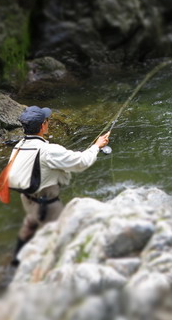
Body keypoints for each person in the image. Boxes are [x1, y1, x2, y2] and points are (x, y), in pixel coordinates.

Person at [9, 105, 110, 266]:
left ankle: (15, 262)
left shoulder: (19, 146)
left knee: (30, 224)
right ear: (43, 126)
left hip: (27, 199)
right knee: (62, 238)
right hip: (47, 205)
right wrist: (96, 147)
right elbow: (82, 162)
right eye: (47, 120)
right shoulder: (48, 150)